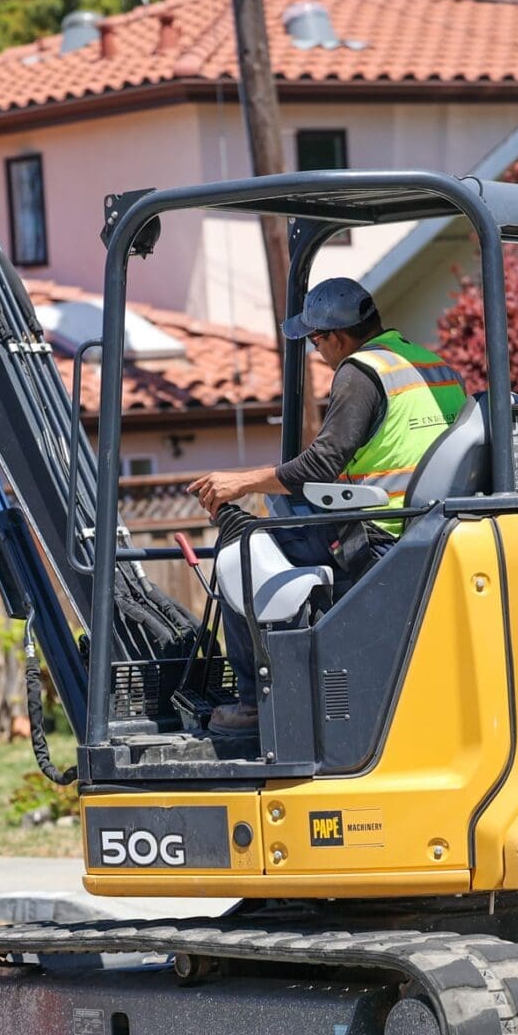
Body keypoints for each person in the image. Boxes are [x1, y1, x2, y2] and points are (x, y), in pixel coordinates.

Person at [185, 277, 466, 734]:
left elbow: (321, 464)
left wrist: (240, 482)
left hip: (377, 534)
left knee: (240, 551)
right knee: (281, 524)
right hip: (430, 527)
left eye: (316, 340)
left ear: (336, 336)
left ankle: (254, 703)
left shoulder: (361, 372)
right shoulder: (434, 366)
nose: (317, 350)